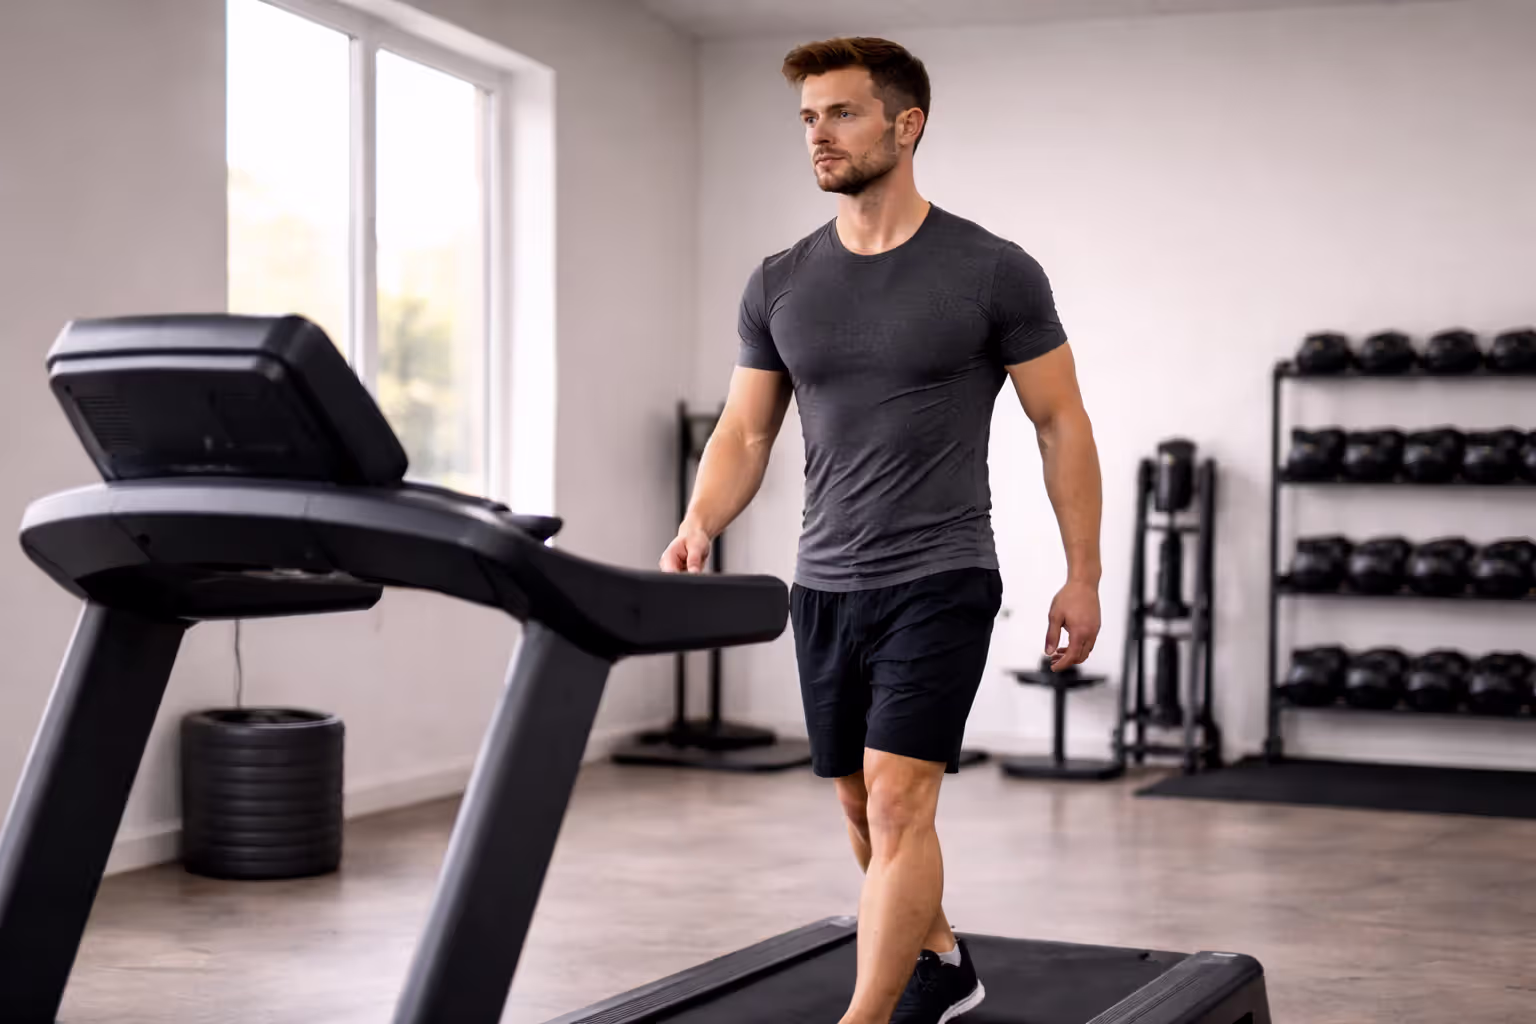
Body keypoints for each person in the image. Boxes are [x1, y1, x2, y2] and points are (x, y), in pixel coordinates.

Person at [659, 36, 1103, 1024]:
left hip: (943, 572)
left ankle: (872, 1015)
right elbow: (745, 428)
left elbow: (1060, 420)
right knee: (862, 807)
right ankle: (942, 956)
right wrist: (699, 522)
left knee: (902, 802)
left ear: (908, 126)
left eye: (843, 113)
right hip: (825, 582)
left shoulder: (993, 271)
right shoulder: (778, 280)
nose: (819, 134)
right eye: (808, 117)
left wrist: (1085, 573)